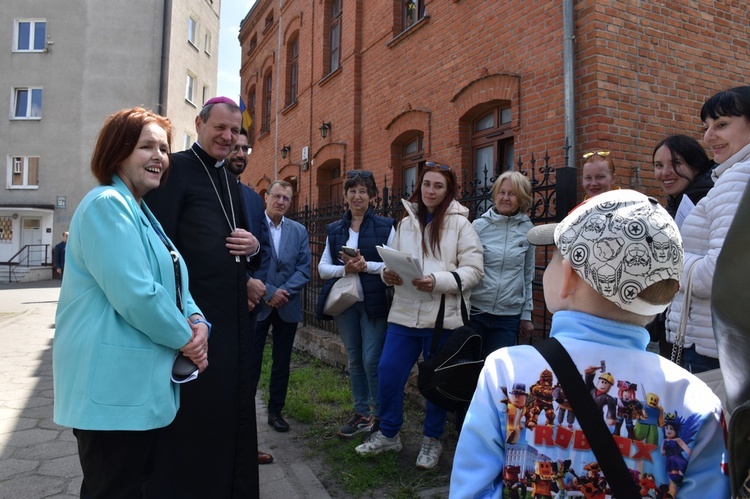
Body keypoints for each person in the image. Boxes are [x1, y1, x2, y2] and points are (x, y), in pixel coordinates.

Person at [450, 189, 728, 498]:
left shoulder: (505, 369)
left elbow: (470, 489)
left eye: (555, 257)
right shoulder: (699, 402)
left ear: (568, 277)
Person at [53, 108, 210, 497]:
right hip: (112, 387)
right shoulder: (108, 203)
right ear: (118, 152)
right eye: (146, 147)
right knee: (113, 490)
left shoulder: (140, 210)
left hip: (135, 386)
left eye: (164, 148)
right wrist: (187, 339)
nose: (159, 156)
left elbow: (174, 280)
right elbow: (136, 293)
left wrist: (198, 321)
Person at [143, 96, 261, 497]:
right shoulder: (175, 171)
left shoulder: (231, 180)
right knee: (197, 415)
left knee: (230, 411)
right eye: (220, 128)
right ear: (200, 123)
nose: (227, 137)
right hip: (194, 322)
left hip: (234, 322)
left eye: (234, 131)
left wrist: (254, 248)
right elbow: (157, 250)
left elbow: (246, 249)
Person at [355, 162, 483, 470]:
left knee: (436, 382)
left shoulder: (462, 225)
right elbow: (396, 260)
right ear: (419, 185)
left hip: (442, 318)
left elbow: (474, 270)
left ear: (448, 190)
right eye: (426, 184)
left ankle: (431, 441)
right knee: (387, 372)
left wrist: (437, 281)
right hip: (404, 314)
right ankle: (388, 434)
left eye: (438, 186)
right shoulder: (406, 221)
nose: (430, 191)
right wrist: (389, 275)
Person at [666, 86, 750, 374]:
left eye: (722, 125)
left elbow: (720, 275)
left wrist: (669, 258)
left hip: (714, 349)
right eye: (707, 127)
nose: (708, 137)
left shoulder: (738, 178)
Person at [317, 170, 396, 437]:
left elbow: (394, 266)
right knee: (354, 359)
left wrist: (366, 266)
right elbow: (323, 268)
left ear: (372, 196)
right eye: (352, 191)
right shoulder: (335, 229)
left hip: (375, 303)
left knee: (371, 360)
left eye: (362, 191)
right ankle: (361, 413)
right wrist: (346, 270)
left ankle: (381, 416)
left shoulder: (386, 226)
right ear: (346, 196)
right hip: (346, 303)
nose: (357, 196)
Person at [225, 128, 274, 465]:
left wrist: (256, 285)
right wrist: (241, 282)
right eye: (235, 147)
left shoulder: (255, 199)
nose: (241, 153)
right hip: (216, 304)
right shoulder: (206, 190)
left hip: (251, 308)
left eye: (246, 148)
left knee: (248, 379)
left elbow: (264, 250)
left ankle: (244, 445)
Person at [250, 180, 312, 433]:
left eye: (287, 198)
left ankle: (275, 411)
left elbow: (304, 268)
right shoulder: (252, 225)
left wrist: (282, 292)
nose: (281, 202)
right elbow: (247, 266)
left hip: (287, 305)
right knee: (251, 361)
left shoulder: (298, 230)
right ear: (266, 197)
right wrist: (270, 292)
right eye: (277, 196)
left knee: (282, 362)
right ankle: (245, 412)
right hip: (258, 303)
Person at [647, 134, 713, 358]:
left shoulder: (704, 200)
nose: (665, 172)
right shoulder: (679, 201)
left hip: (699, 335)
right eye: (658, 165)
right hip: (680, 326)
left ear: (695, 166)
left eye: (676, 164)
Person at [469, 171, 535, 357]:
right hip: (475, 312)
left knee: (497, 372)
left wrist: (526, 315)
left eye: (512, 194)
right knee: (468, 371)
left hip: (508, 317)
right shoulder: (479, 226)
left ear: (521, 198)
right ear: (495, 195)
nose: (505, 198)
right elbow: (466, 267)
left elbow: (527, 274)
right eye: (502, 192)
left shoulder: (527, 230)